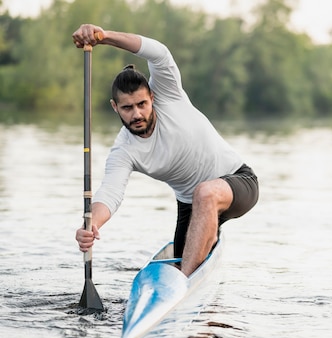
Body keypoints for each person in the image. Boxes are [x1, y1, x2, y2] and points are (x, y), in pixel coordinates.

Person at [73, 24, 259, 277]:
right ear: (115, 107)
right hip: (190, 205)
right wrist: (91, 224)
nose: (137, 114)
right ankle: (204, 253)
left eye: (142, 104)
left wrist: (104, 37)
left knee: (204, 194)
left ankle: (185, 281)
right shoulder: (124, 151)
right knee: (195, 219)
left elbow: (158, 53)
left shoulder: (168, 93)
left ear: (152, 96)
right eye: (127, 108)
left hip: (238, 181)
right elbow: (110, 195)